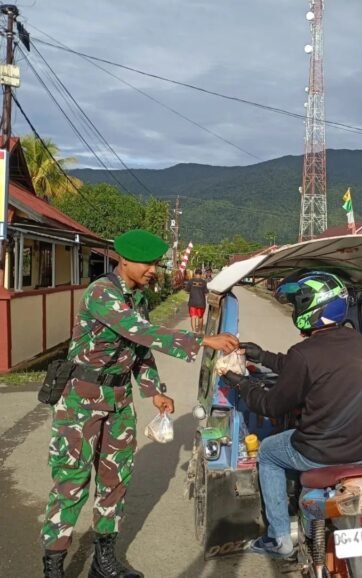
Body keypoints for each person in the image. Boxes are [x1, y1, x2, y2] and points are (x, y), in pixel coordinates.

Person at [40, 229, 239, 578]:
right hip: (81, 401)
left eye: (156, 264)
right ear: (125, 260)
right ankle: (54, 566)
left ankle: (104, 560)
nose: (154, 270)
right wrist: (204, 339)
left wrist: (153, 391)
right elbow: (140, 331)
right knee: (71, 482)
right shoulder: (102, 293)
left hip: (118, 400)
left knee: (115, 480)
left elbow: (139, 350)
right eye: (148, 264)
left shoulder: (139, 298)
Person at [221, 271, 362, 558]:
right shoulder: (356, 342)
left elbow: (271, 406)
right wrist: (263, 356)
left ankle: (279, 538)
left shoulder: (304, 353)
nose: (296, 308)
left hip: (319, 450)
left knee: (268, 452)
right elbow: (310, 368)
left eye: (299, 302)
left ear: (314, 307)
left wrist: (241, 383)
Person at [186, 268, 208, 334]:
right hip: (201, 303)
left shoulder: (190, 281)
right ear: (201, 275)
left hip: (192, 303)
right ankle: (200, 331)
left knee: (193, 316)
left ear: (195, 274)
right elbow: (206, 292)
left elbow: (187, 290)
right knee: (200, 317)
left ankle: (193, 331)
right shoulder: (204, 282)